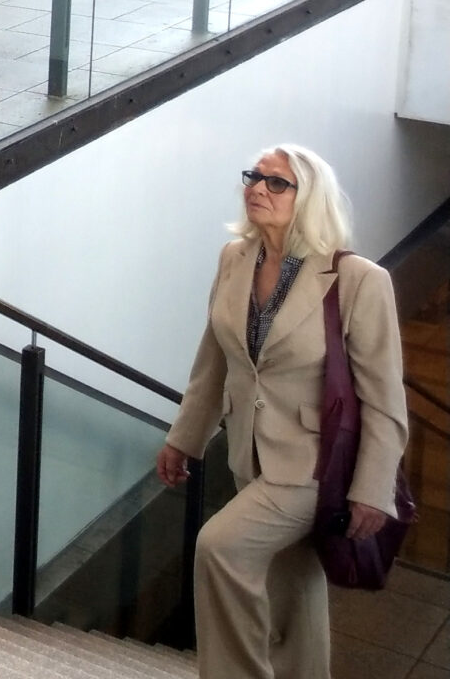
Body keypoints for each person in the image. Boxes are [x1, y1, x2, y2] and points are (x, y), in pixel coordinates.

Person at [156, 145, 406, 679]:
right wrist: (185, 438)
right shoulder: (235, 259)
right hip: (250, 455)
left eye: (276, 183)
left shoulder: (358, 279)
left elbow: (385, 400)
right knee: (294, 589)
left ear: (309, 198)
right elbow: (214, 359)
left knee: (219, 548)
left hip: (315, 468)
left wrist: (372, 488)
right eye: (254, 177)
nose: (257, 188)